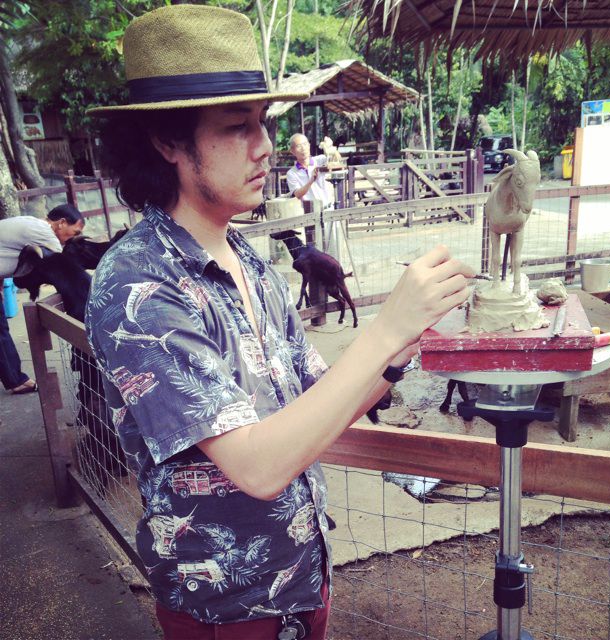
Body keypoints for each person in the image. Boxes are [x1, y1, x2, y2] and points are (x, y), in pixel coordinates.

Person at [84, 5, 474, 639]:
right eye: (237, 126)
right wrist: (381, 328)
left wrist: (401, 344)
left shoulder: (250, 261)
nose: (265, 145)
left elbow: (320, 404)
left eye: (263, 121)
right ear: (166, 142)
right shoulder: (137, 284)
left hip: (303, 575)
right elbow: (258, 468)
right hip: (225, 606)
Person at [0, 204, 84, 394]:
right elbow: (64, 265)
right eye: (75, 232)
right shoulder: (43, 231)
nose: (73, 238)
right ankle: (16, 381)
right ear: (61, 223)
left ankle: (15, 379)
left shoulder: (31, 224)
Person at [286, 134, 334, 209]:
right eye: (299, 146)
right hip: (310, 213)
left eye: (305, 144)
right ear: (292, 151)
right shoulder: (291, 173)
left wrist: (329, 146)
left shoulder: (321, 160)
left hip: (328, 208)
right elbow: (297, 194)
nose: (303, 148)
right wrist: (311, 181)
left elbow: (334, 160)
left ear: (309, 145)